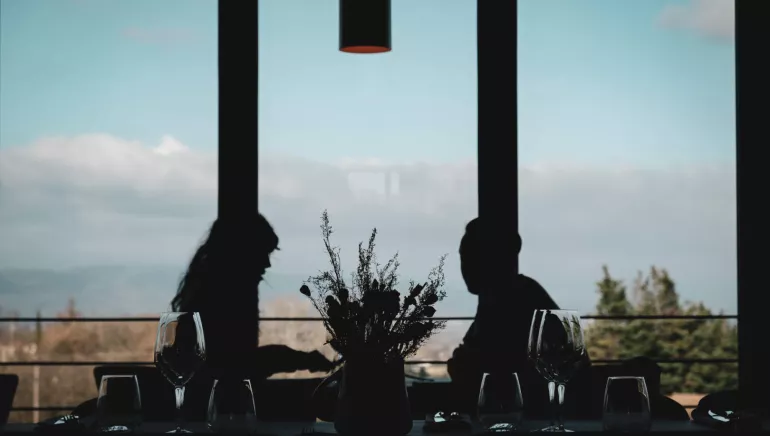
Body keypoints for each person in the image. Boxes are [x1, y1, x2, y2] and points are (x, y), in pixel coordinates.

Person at [170, 215, 333, 419]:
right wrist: (301, 359)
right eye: (261, 253)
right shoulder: (221, 297)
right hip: (215, 414)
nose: (267, 263)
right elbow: (237, 365)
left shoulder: (208, 291)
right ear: (241, 253)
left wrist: (301, 359)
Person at [447, 218, 565, 416]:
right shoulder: (504, 296)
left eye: (473, 256)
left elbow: (495, 375)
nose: (465, 266)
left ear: (498, 259)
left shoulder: (518, 300)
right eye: (463, 257)